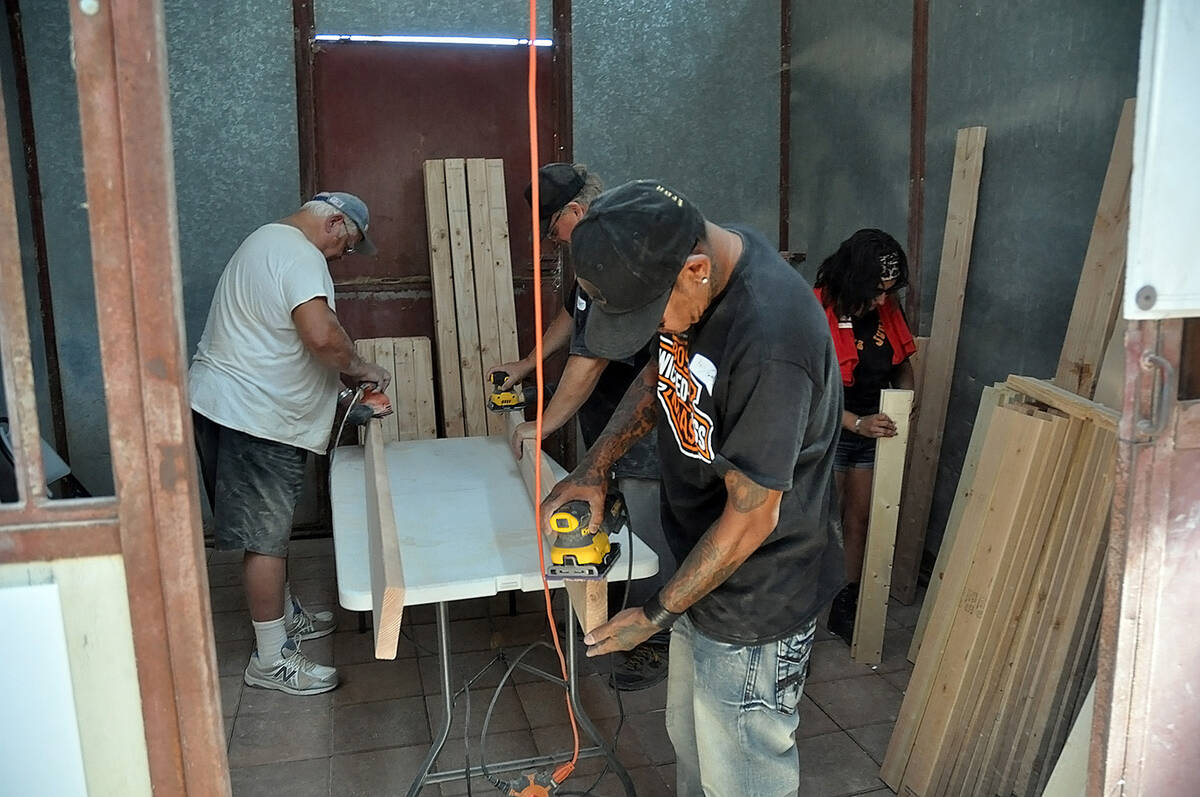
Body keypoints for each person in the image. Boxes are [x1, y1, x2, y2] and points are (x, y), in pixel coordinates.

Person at [540, 180, 844, 795]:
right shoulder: (704, 275)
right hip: (702, 573)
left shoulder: (771, 347)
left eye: (650, 317)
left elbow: (751, 519)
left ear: (696, 270)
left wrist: (650, 616)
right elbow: (664, 368)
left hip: (759, 596)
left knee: (742, 772)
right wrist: (596, 465)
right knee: (693, 746)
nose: (654, 332)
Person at [189, 192, 391, 696]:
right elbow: (321, 337)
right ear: (336, 222)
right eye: (349, 244)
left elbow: (277, 339)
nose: (344, 256)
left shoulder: (265, 242)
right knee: (265, 539)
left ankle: (286, 614)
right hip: (254, 416)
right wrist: (362, 368)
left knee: (270, 533)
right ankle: (271, 655)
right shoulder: (301, 255)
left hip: (230, 406)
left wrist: (343, 394)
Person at [487, 163, 673, 691]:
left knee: (647, 530)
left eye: (552, 230)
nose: (551, 242)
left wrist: (540, 427)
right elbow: (575, 315)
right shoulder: (589, 257)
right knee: (609, 516)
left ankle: (650, 638)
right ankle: (610, 611)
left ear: (575, 212)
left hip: (645, 423)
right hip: (608, 419)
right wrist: (528, 365)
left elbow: (588, 361)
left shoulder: (624, 251)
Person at [813, 229, 916, 644]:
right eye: (876, 291)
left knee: (859, 518)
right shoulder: (816, 306)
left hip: (876, 427)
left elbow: (904, 363)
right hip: (831, 426)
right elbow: (811, 390)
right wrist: (855, 422)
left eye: (888, 291)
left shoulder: (886, 306)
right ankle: (804, 602)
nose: (882, 300)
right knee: (822, 521)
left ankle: (846, 602)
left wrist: (906, 403)